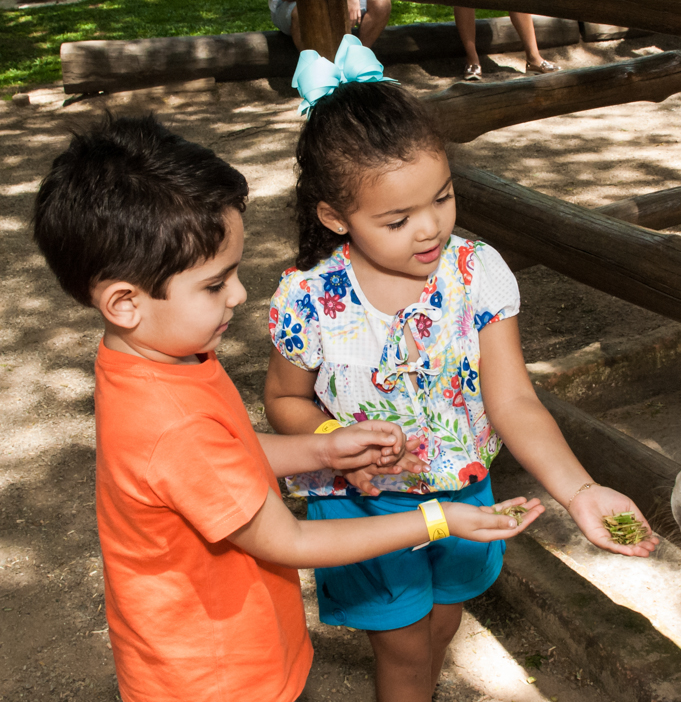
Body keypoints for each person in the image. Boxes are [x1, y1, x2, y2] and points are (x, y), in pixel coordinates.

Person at [30, 114, 544, 702]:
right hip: (218, 675)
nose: (241, 295)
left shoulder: (157, 360)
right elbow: (289, 541)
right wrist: (439, 520)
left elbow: (229, 457)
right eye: (215, 284)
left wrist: (322, 447)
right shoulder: (172, 425)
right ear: (124, 303)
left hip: (227, 645)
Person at [267, 36, 658, 702]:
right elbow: (284, 400)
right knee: (403, 654)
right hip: (364, 508)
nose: (431, 229)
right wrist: (333, 441)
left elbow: (514, 401)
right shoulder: (306, 298)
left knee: (440, 630)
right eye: (397, 219)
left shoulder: (477, 273)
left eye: (443, 198)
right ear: (335, 216)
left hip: (465, 499)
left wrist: (580, 490)